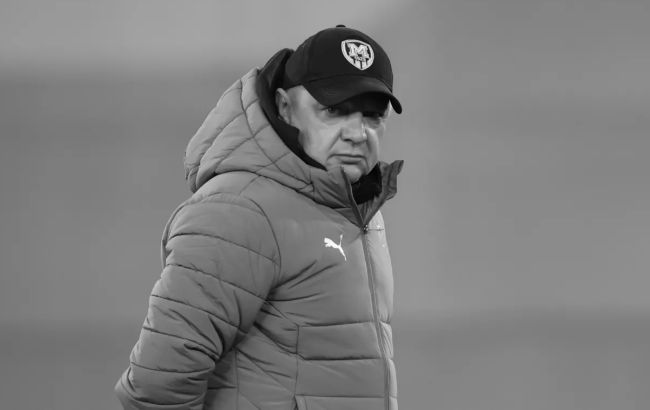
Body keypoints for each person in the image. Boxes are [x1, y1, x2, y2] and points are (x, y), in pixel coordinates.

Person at [115, 24, 404, 410]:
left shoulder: (357, 208)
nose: (358, 133)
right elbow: (156, 387)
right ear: (285, 107)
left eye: (373, 115)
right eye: (334, 110)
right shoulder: (239, 210)